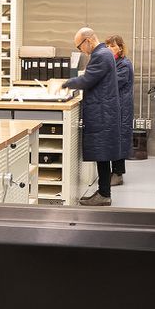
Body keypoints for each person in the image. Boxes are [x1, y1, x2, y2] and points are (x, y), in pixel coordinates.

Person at [60, 27, 124, 205]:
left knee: (102, 153)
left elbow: (87, 80)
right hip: (103, 110)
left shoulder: (101, 55)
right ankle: (103, 192)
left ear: (87, 40)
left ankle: (104, 194)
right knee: (101, 154)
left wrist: (65, 83)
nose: (81, 51)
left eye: (80, 47)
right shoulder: (103, 53)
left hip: (102, 113)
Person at [105, 34, 133, 186]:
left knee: (118, 139)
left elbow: (112, 83)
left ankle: (118, 174)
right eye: (107, 46)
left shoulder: (124, 64)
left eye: (112, 46)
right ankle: (114, 172)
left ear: (120, 48)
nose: (109, 49)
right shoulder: (113, 62)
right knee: (114, 139)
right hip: (114, 106)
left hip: (121, 107)